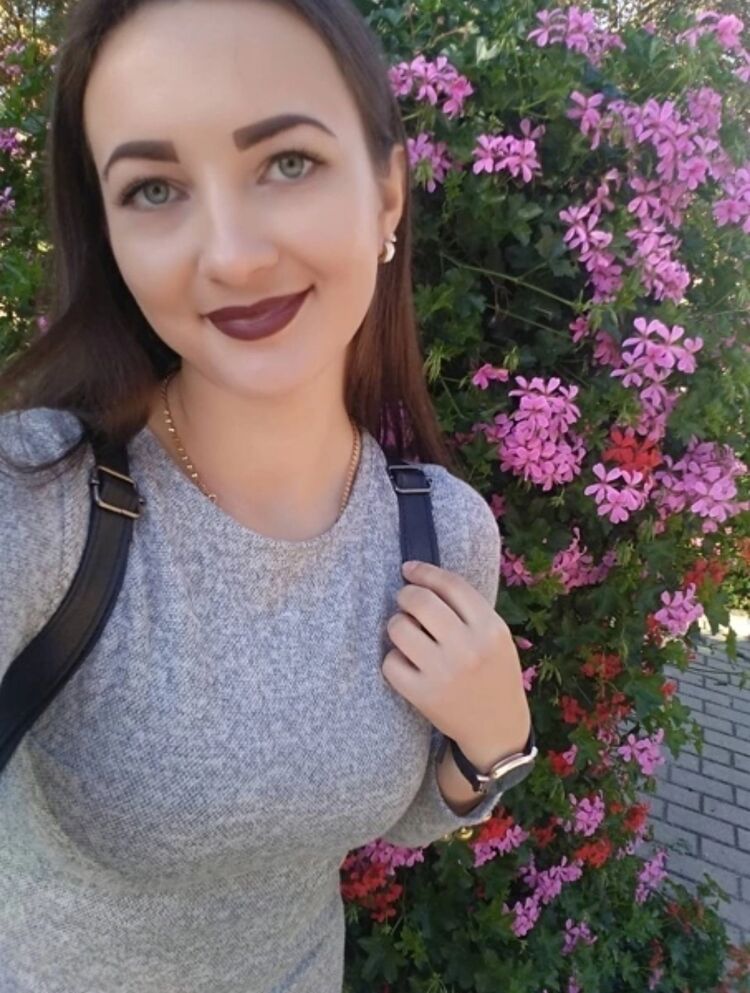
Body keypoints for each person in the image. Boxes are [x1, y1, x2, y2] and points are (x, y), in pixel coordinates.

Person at [0, 0, 532, 990]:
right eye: (154, 188)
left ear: (386, 195)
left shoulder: (438, 533)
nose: (232, 256)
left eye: (288, 162)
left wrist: (497, 739)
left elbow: (414, 817)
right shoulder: (42, 502)